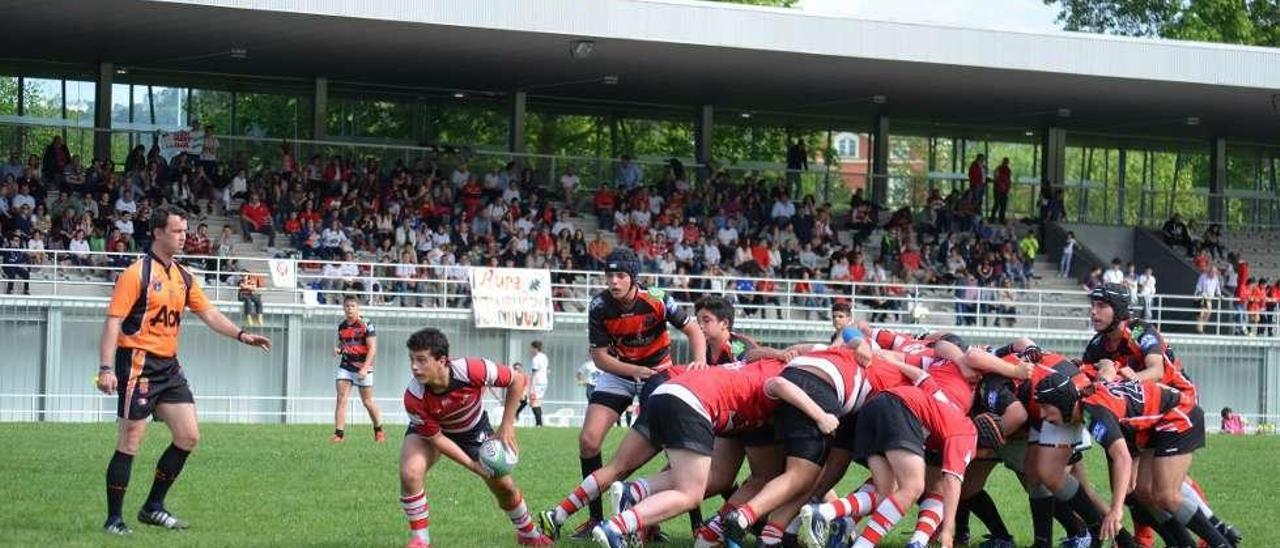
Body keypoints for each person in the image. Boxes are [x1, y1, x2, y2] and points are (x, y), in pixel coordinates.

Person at [94, 204, 272, 535]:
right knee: (131, 438)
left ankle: (152, 507)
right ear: (158, 232)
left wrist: (242, 334)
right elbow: (112, 323)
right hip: (137, 362)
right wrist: (106, 368)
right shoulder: (136, 274)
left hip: (169, 365)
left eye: (185, 230)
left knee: (188, 435)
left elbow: (209, 313)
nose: (183, 236)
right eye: (177, 231)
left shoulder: (184, 276)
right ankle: (114, 519)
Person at [570, 248, 706, 538]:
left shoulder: (657, 297)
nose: (614, 282)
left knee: (673, 444)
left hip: (657, 372)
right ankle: (595, 520)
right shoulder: (599, 305)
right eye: (610, 276)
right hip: (620, 373)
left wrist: (700, 363)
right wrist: (632, 371)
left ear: (633, 278)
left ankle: (692, 524)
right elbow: (600, 358)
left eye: (620, 276)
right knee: (588, 441)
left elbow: (694, 330)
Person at [1035, 374, 1232, 548]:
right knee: (1145, 492)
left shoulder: (1095, 413)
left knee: (1166, 494)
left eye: (1045, 407)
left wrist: (1115, 510)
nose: (1042, 414)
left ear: (1062, 402)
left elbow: (1123, 458)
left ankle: (1220, 543)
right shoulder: (1087, 403)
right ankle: (1183, 543)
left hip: (1180, 413)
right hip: (1159, 423)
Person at [399, 328, 553, 548]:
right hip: (432, 434)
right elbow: (437, 439)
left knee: (504, 486)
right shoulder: (414, 396)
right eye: (412, 359)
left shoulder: (472, 369)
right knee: (410, 472)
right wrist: (473, 464)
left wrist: (507, 425)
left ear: (442, 360)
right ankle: (421, 541)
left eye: (422, 360)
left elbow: (518, 381)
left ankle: (528, 533)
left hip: (473, 430)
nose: (414, 366)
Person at [331, 296, 385, 444]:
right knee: (341, 398)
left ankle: (379, 430)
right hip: (346, 366)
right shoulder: (342, 326)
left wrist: (365, 368)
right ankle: (339, 434)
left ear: (358, 308)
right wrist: (338, 350)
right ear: (343, 308)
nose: (349, 309)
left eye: (352, 306)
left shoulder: (366, 324)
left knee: (367, 402)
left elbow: (372, 348)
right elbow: (344, 345)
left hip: (363, 368)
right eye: (347, 306)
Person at [529, 341, 549, 427]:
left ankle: (539, 423)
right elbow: (547, 369)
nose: (530, 350)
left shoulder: (535, 359)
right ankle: (539, 423)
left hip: (537, 382)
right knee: (538, 402)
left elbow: (534, 372)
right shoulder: (544, 357)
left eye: (531, 348)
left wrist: (531, 386)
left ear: (535, 348)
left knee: (533, 402)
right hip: (544, 381)